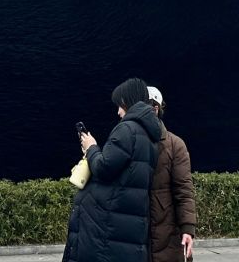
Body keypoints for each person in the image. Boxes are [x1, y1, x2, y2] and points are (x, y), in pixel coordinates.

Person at [63, 77, 163, 262]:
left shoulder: (127, 129)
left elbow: (103, 167)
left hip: (107, 224)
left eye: (120, 105)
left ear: (128, 101)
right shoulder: (149, 135)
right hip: (125, 223)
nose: (118, 112)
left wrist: (91, 147)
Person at [146, 86, 196, 262]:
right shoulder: (130, 142)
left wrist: (188, 228)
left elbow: (184, 190)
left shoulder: (175, 145)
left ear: (156, 109)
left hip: (167, 235)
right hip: (138, 234)